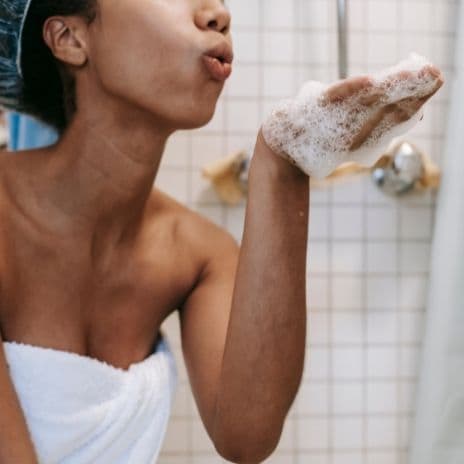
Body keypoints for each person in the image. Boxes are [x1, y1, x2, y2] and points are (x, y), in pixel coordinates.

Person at [0, 1, 443, 463]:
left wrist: (285, 162)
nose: (218, 14)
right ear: (70, 40)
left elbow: (247, 436)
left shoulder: (196, 254)